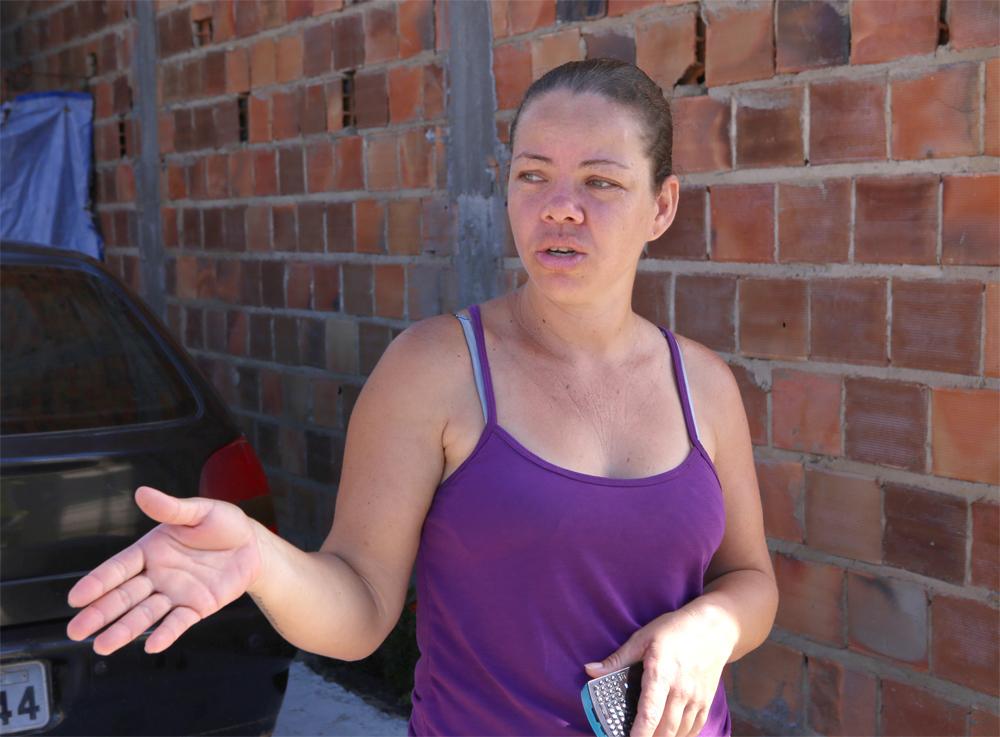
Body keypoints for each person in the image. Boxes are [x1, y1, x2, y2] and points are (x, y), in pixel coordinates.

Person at [66, 59, 778, 737]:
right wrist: (259, 559)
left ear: (661, 206)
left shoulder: (704, 386)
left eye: (600, 181)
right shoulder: (435, 369)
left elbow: (750, 580)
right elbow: (359, 604)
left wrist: (711, 625)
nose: (561, 208)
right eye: (534, 175)